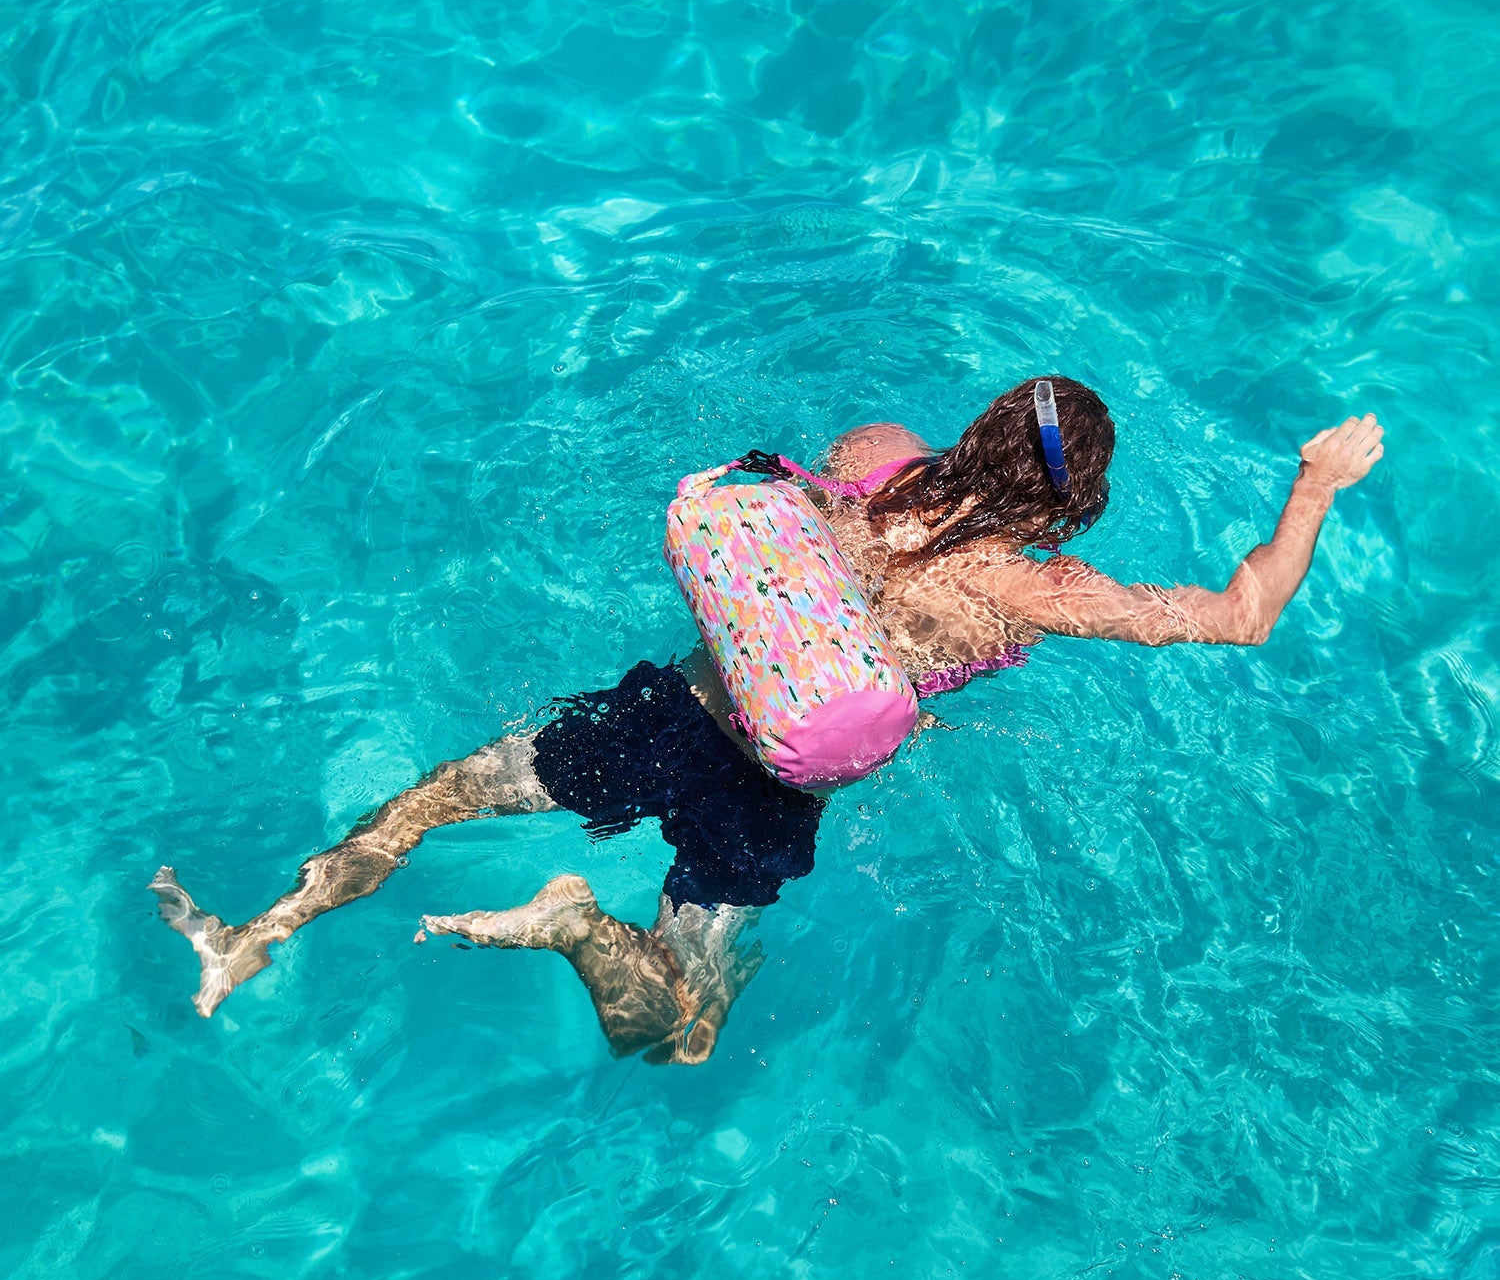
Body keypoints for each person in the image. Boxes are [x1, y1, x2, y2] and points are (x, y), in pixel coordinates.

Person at [151, 380, 1384, 1063]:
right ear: (1076, 500)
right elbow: (1243, 616)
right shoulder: (1037, 588)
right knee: (675, 1033)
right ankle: (576, 929)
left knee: (431, 801)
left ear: (983, 426)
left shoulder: (876, 455)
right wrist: (1314, 486)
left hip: (675, 711)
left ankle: (255, 935)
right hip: (772, 791)